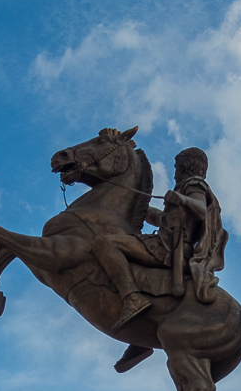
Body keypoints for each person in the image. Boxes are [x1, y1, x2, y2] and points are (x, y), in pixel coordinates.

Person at [90, 146, 228, 345]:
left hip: (168, 250)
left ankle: (133, 299)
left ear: (184, 166)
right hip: (169, 245)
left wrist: (181, 198)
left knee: (105, 243)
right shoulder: (185, 191)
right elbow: (161, 219)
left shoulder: (194, 184)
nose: (174, 173)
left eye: (176, 167)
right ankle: (140, 338)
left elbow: (199, 210)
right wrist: (140, 206)